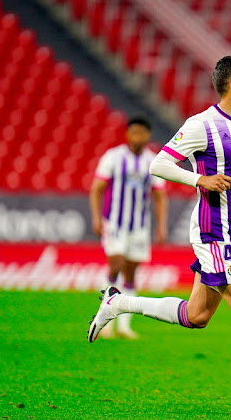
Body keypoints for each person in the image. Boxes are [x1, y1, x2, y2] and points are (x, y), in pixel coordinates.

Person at [87, 56, 231, 418]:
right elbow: (158, 164)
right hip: (213, 233)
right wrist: (199, 179)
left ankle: (118, 304)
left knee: (197, 316)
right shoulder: (202, 125)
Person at [89, 115, 168, 339]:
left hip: (139, 226)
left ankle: (123, 325)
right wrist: (96, 218)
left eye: (142, 133)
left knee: (131, 272)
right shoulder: (113, 157)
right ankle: (105, 319)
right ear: (127, 134)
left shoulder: (152, 162)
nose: (138, 137)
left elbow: (160, 195)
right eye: (134, 132)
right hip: (115, 223)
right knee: (116, 264)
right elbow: (97, 188)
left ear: (147, 136)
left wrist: (161, 225)